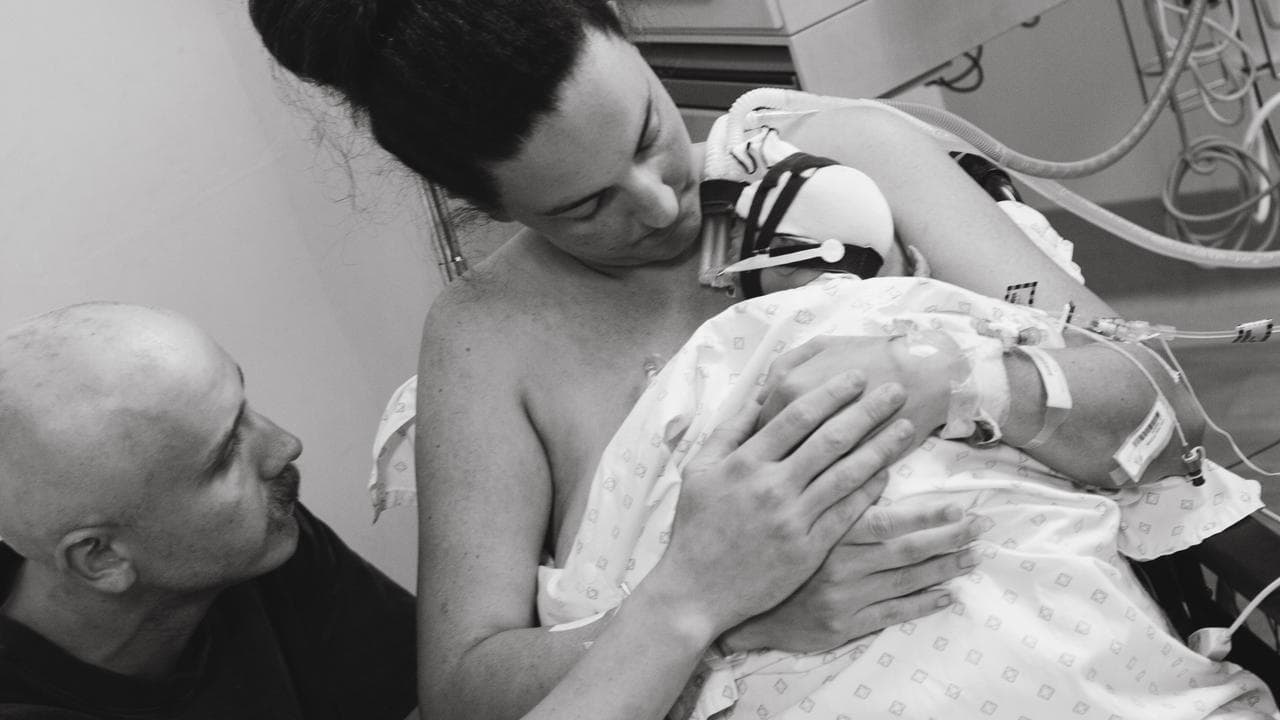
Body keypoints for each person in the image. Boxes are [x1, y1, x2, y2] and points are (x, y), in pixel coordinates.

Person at [248, 3, 1243, 718]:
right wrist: (719, 611)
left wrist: (948, 377)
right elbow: (465, 690)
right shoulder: (484, 340)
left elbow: (1163, 412)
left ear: (627, 37)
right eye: (581, 207)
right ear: (488, 206)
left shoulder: (846, 160)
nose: (657, 203)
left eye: (647, 132)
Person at [0, 303, 417, 720]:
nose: (285, 446)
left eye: (244, 407)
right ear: (103, 557)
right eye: (224, 456)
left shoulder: (263, 544)